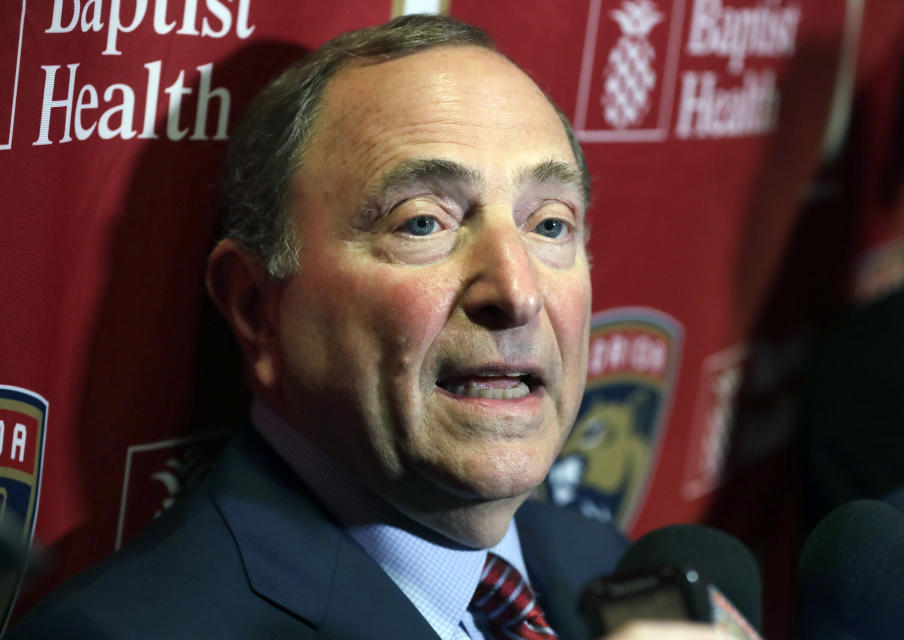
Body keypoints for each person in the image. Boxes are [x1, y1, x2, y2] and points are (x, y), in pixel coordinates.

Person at [9, 15, 725, 639]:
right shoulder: (127, 633)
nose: (517, 291)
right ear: (258, 308)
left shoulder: (601, 564)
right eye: (423, 223)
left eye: (549, 224)